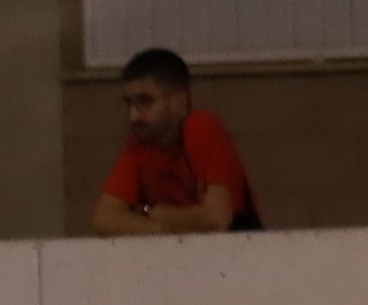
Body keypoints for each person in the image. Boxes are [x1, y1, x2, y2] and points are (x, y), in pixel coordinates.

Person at [92, 49, 264, 234]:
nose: (133, 116)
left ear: (179, 102)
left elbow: (216, 220)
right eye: (128, 103)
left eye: (145, 101)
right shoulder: (140, 141)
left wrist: (148, 217)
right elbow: (103, 219)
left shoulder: (201, 126)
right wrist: (158, 223)